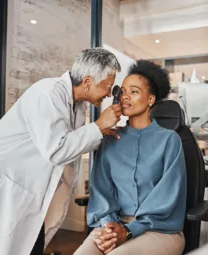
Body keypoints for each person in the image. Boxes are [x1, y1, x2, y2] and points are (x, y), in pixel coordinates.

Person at [0, 48, 122, 255]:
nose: (107, 93)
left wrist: (101, 132)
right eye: (107, 86)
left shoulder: (76, 106)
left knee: (28, 243)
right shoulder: (47, 93)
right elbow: (57, 150)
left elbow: (74, 144)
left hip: (23, 192)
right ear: (87, 81)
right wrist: (98, 126)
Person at [74, 60, 187, 255]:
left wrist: (127, 231)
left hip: (159, 229)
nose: (125, 96)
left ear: (150, 99)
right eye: (123, 91)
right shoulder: (109, 139)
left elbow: (166, 198)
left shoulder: (169, 140)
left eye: (134, 92)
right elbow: (102, 191)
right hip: (114, 225)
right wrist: (110, 227)